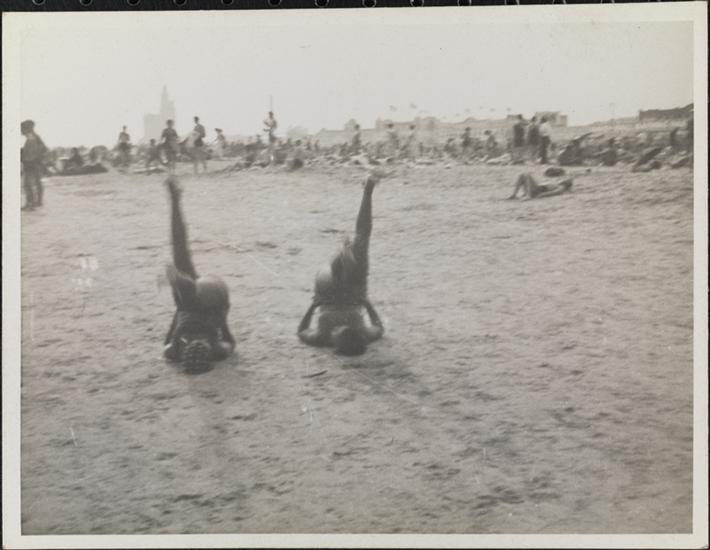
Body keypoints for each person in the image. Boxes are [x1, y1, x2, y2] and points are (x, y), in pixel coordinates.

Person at [297, 172, 386, 355]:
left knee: (361, 241)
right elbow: (379, 328)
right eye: (343, 330)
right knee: (360, 243)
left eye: (337, 331)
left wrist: (313, 306)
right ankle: (343, 259)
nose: (338, 329)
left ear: (335, 342)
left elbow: (302, 331)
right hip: (335, 292)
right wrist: (367, 304)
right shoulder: (348, 336)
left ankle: (343, 259)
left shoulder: (323, 338)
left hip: (336, 292)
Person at [163, 177, 235, 370]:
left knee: (180, 251)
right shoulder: (174, 351)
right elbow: (169, 337)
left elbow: (229, 339)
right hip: (204, 298)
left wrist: (222, 316)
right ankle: (180, 280)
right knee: (179, 250)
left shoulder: (217, 351)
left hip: (214, 296)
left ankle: (175, 200)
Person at [20, 119, 48, 211]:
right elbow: (44, 149)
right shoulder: (35, 137)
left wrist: (31, 159)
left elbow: (37, 151)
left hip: (31, 163)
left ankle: (30, 203)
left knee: (28, 184)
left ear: (27, 128)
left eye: (22, 128)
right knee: (36, 182)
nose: (21, 131)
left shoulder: (31, 138)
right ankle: (38, 202)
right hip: (35, 163)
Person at [507, 172, 572, 200]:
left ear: (566, 183)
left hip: (536, 191)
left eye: (565, 179)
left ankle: (528, 196)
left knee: (526, 175)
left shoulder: (562, 187)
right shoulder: (556, 184)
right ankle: (514, 194)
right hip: (534, 189)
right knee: (522, 175)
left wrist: (542, 195)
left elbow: (554, 193)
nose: (563, 179)